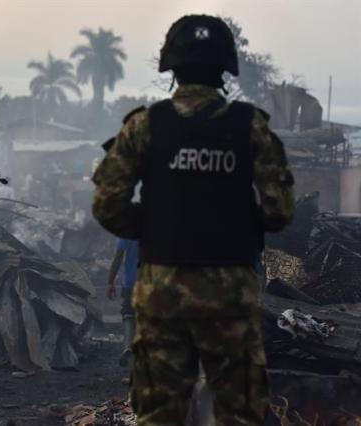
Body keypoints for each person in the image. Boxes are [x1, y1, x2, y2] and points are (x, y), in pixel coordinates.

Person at [92, 15, 295, 426]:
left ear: (171, 68)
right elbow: (280, 211)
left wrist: (153, 227)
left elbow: (108, 204)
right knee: (239, 413)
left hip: (162, 289)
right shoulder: (250, 126)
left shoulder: (144, 126)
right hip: (230, 292)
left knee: (160, 415)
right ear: (225, 69)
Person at [106, 238, 139, 366]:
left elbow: (117, 258)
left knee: (129, 315)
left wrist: (110, 282)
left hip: (131, 283)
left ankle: (128, 345)